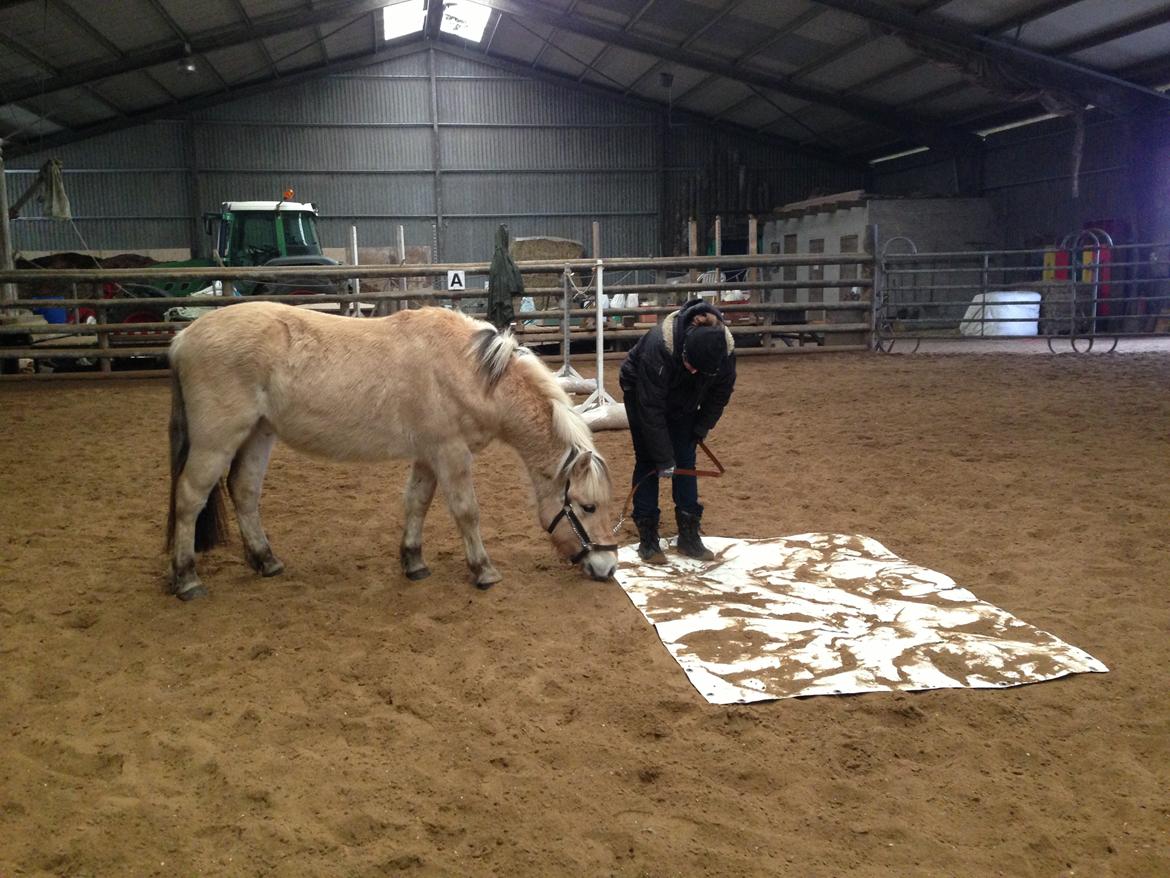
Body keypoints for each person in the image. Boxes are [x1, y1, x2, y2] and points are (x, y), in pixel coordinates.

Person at [619, 298, 736, 563]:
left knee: (685, 458)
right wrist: (663, 459)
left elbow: (720, 394)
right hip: (640, 390)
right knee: (649, 459)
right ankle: (648, 538)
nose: (693, 370)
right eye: (690, 364)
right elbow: (651, 409)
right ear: (684, 348)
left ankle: (689, 535)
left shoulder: (724, 353)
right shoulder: (659, 345)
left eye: (699, 369)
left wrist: (700, 427)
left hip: (685, 396)